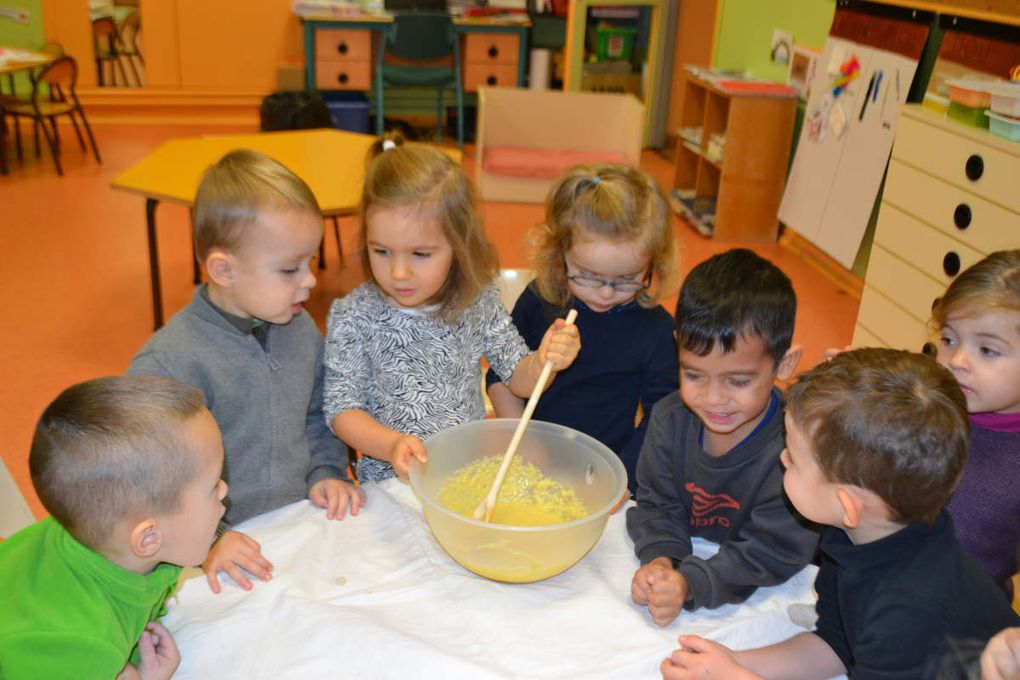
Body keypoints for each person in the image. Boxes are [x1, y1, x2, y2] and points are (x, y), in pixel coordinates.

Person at [660, 348, 1020, 680]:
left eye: (795, 461)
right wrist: (737, 662)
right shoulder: (853, 533)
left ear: (848, 505)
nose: (781, 460)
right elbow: (837, 644)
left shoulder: (907, 612)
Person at [128, 149, 363, 594]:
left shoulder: (298, 328)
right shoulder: (169, 364)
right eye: (290, 268)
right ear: (224, 270)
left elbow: (319, 410)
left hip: (299, 526)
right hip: (208, 560)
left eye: (311, 262)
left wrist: (327, 471)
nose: (310, 280)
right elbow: (148, 480)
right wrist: (209, 542)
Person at [323, 134, 581, 483]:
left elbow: (518, 378)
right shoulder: (352, 315)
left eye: (420, 254)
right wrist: (392, 444)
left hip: (463, 476)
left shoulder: (477, 300)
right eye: (381, 251)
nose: (399, 272)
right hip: (387, 482)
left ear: (459, 246)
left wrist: (544, 361)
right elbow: (342, 410)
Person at [626, 248, 818, 626]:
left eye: (738, 381)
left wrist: (691, 583)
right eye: (694, 375)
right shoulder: (668, 420)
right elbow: (657, 505)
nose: (713, 399)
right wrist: (662, 562)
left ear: (784, 364)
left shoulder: (796, 449)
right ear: (678, 346)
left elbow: (773, 551)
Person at [0, 376, 228, 680]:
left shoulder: (96, 532)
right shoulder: (83, 642)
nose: (225, 490)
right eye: (213, 486)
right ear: (148, 538)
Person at [484, 163, 679, 494]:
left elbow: (662, 417)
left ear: (652, 265)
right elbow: (499, 376)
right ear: (559, 255)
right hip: (527, 457)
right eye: (587, 275)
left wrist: (621, 479)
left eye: (627, 279)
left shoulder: (655, 329)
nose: (605, 292)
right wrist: (524, 440)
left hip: (602, 468)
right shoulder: (540, 299)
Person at [932, 249, 1020, 598]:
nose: (956, 360)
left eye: (987, 350)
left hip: (965, 621)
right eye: (949, 339)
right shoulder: (924, 406)